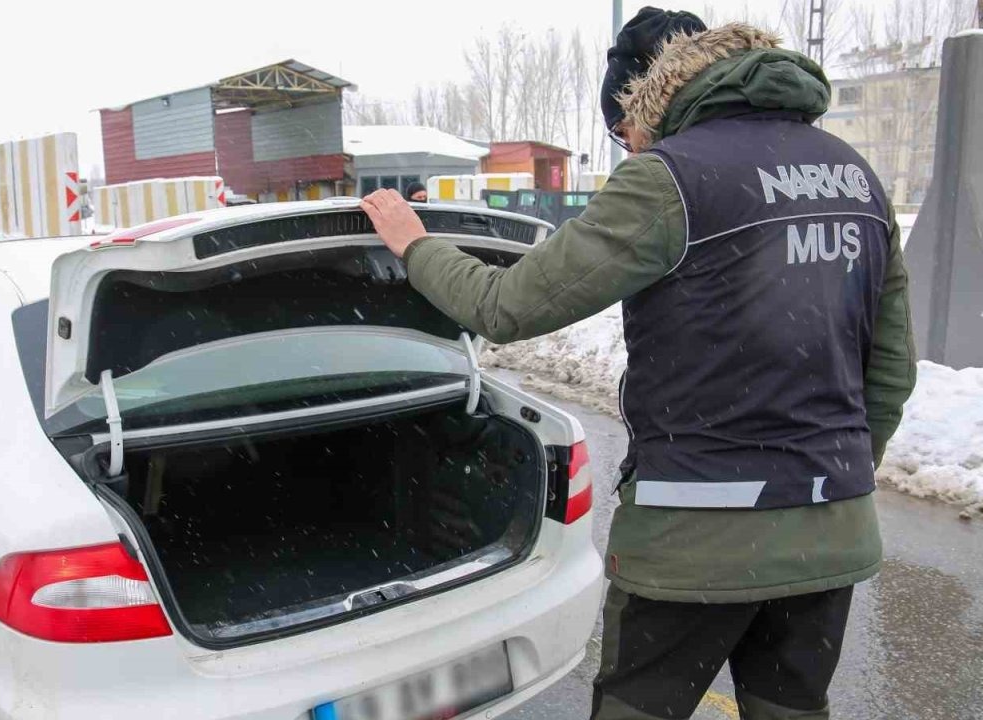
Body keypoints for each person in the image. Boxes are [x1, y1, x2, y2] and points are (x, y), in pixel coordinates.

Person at [362, 12, 916, 720]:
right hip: (833, 536)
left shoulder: (670, 179)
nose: (628, 145)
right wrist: (826, 485)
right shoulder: (856, 176)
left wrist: (414, 244)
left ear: (644, 100)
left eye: (624, 130)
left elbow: (504, 307)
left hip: (692, 544)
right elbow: (892, 372)